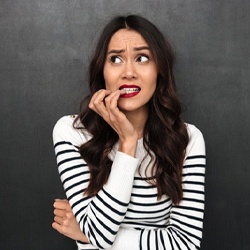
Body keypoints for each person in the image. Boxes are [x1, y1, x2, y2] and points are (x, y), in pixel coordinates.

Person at [52, 14, 206, 250]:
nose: (128, 72)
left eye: (142, 58)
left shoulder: (188, 139)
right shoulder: (72, 133)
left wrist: (84, 234)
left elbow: (186, 243)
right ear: (102, 70)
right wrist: (128, 142)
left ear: (159, 70)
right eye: (115, 59)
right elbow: (99, 232)